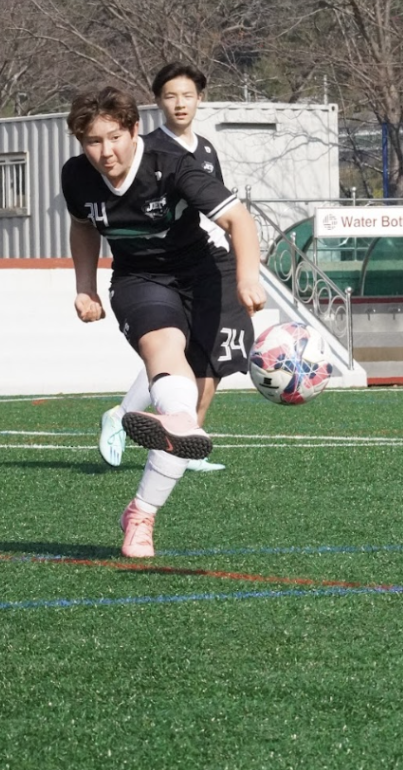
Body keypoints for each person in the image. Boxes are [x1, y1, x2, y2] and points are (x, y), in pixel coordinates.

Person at [61, 85, 266, 558]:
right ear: (80, 143)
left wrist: (249, 278)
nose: (105, 151)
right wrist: (85, 287)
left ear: (134, 130)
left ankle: (141, 511)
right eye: (93, 141)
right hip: (139, 278)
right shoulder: (76, 176)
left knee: (198, 386)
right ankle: (173, 424)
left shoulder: (169, 164)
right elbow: (82, 225)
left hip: (206, 274)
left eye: (114, 137)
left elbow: (239, 219)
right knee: (164, 351)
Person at [98, 61, 228, 473]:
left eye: (188, 95)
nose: (180, 103)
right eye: (171, 96)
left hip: (201, 261)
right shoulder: (148, 149)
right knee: (173, 349)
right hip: (154, 271)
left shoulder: (205, 149)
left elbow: (217, 206)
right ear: (157, 102)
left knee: (196, 352)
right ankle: (124, 418)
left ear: (200, 99)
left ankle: (181, 441)